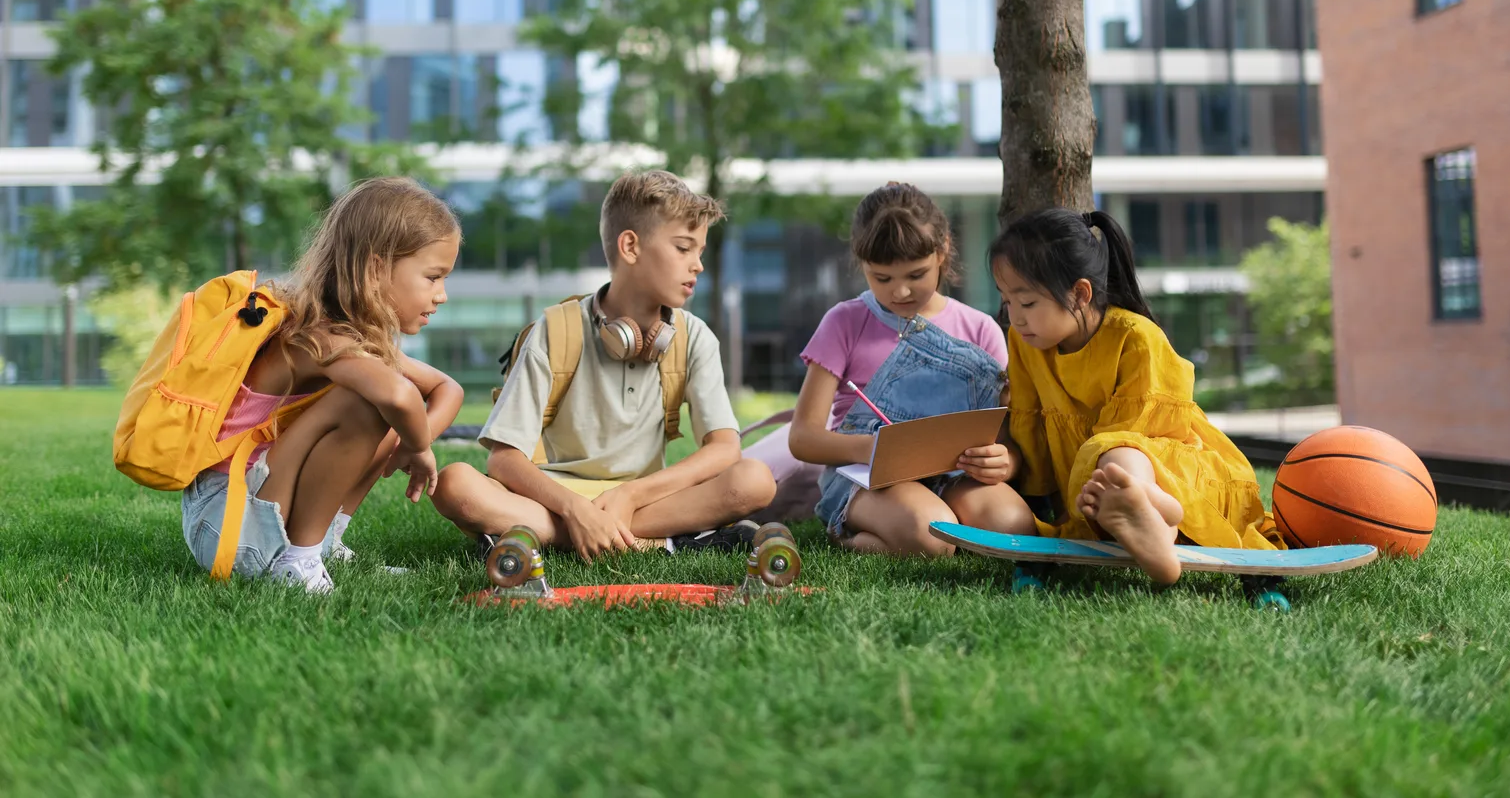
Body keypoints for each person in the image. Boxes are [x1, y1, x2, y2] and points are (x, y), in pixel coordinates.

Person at [430, 170, 775, 560]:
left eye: (700, 251)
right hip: (558, 498)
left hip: (644, 498)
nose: (698, 265)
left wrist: (632, 494)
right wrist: (574, 509)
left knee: (754, 480)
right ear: (630, 246)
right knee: (455, 484)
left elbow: (725, 449)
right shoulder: (555, 330)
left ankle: (552, 536)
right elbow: (504, 459)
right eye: (683, 248)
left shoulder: (694, 336)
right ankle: (660, 542)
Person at [180, 177, 465, 593]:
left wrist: (409, 441)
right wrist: (419, 448)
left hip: (253, 507)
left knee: (388, 411)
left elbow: (447, 389)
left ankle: (321, 544)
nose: (441, 295)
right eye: (433, 277)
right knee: (367, 404)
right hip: (227, 520)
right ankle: (297, 560)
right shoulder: (316, 336)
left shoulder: (355, 338)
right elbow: (400, 396)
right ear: (375, 269)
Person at [989, 207, 1283, 585]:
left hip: (1170, 471)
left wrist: (1101, 482)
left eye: (1027, 303)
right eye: (1007, 302)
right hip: (1098, 492)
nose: (1015, 318)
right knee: (1108, 475)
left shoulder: (1136, 337)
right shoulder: (1025, 342)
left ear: (1080, 293)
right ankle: (1150, 518)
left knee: (1117, 454)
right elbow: (1029, 425)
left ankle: (1156, 514)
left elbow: (1144, 435)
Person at [788, 183, 1032, 554]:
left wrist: (1006, 462)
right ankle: (848, 535)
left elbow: (1005, 436)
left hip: (955, 475)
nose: (900, 292)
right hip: (867, 478)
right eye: (882, 278)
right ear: (862, 263)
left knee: (1014, 528)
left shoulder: (980, 328)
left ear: (942, 250)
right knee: (934, 537)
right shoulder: (845, 322)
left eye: (916, 275)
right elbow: (803, 438)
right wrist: (875, 449)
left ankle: (915, 527)